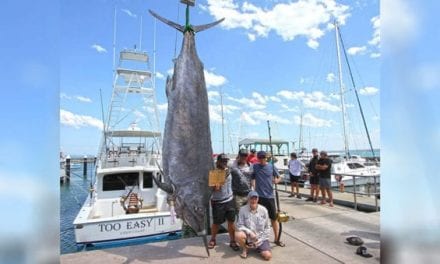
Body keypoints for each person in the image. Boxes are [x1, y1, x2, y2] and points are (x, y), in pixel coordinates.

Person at [250, 151, 285, 247]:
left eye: (263, 157)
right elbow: (252, 178)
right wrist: (254, 188)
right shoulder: (255, 166)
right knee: (258, 219)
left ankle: (277, 239)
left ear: (266, 157)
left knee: (274, 219)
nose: (261, 159)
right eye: (259, 157)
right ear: (257, 158)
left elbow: (279, 177)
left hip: (270, 197)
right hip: (259, 197)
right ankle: (258, 239)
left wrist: (276, 181)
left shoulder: (272, 166)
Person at [208, 154, 240, 251]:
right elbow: (211, 188)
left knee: (231, 221)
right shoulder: (213, 172)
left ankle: (232, 240)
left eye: (226, 161)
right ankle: (213, 239)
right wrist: (215, 187)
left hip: (229, 200)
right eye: (223, 161)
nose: (225, 163)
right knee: (216, 223)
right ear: (218, 161)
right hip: (218, 201)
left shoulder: (229, 170)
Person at [235, 191, 272, 260]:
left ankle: (258, 247)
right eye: (251, 198)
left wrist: (259, 240)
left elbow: (268, 227)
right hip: (248, 237)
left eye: (255, 198)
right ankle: (245, 248)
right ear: (248, 199)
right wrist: (250, 232)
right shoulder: (242, 209)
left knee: (268, 256)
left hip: (260, 238)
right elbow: (239, 225)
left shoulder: (264, 210)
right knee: (238, 235)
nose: (253, 200)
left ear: (258, 199)